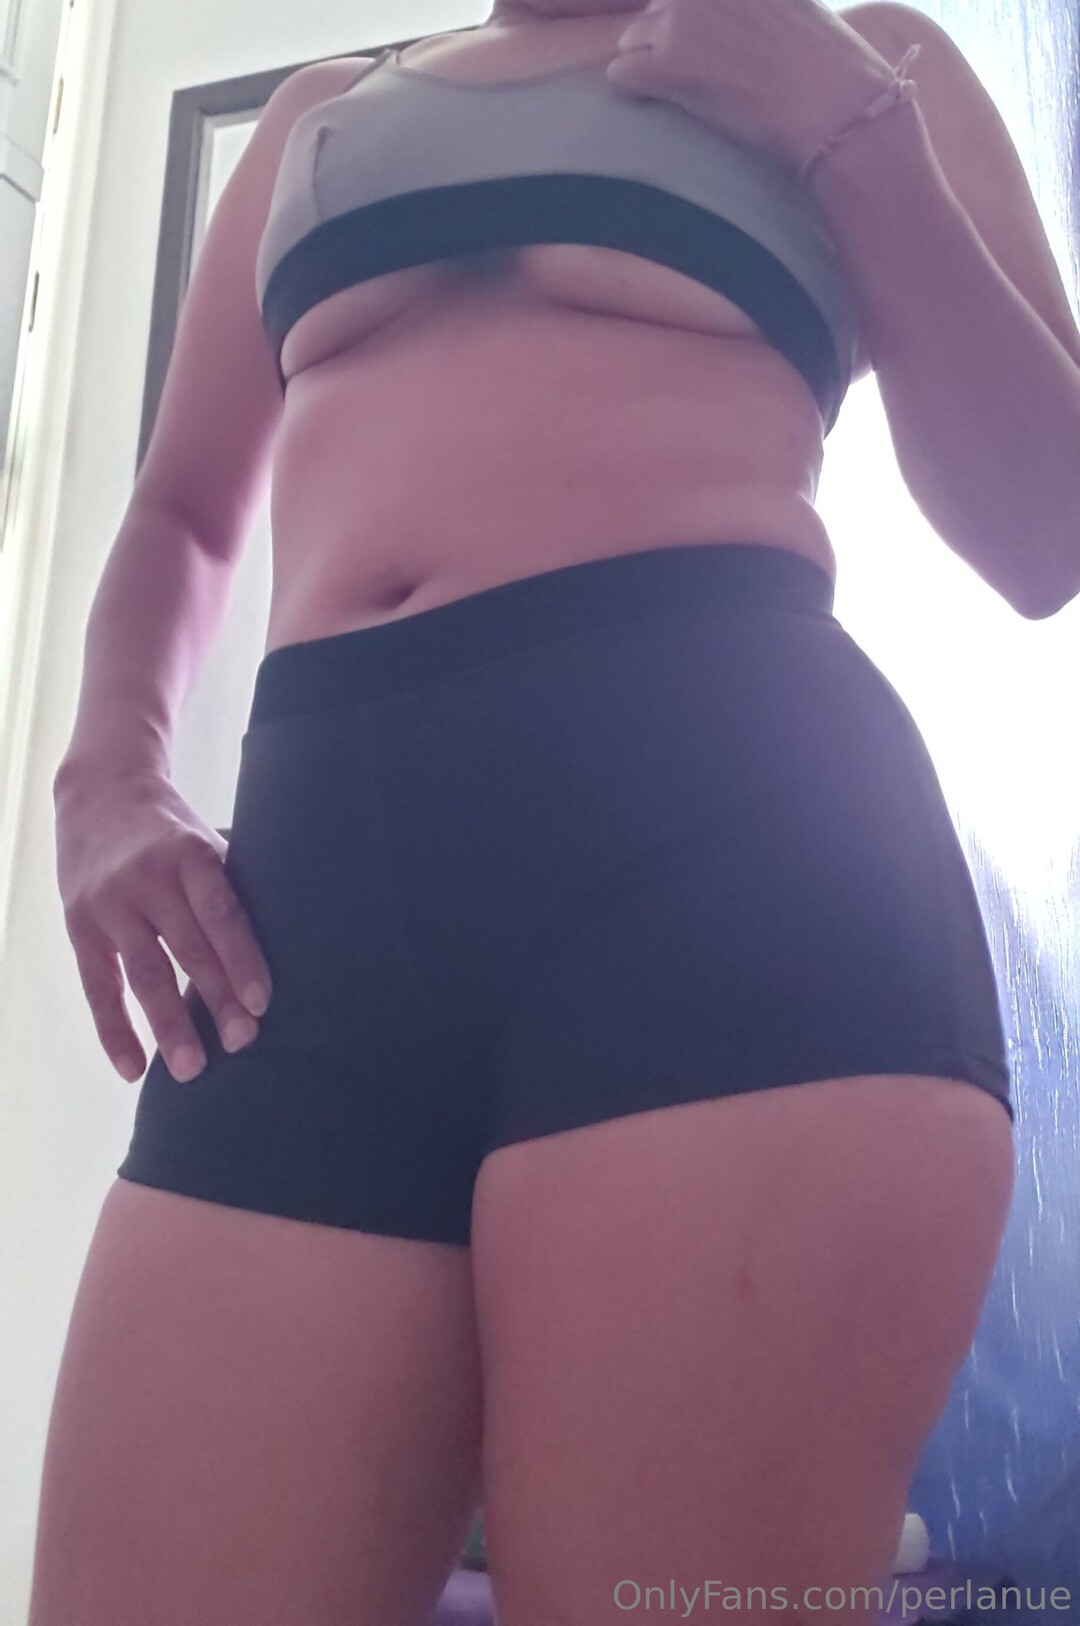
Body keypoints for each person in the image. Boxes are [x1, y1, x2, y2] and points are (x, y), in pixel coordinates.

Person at [34, 0, 1045, 1620]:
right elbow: (179, 513)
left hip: (732, 874)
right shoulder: (315, 119)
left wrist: (858, 138)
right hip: (308, 924)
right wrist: (105, 778)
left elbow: (1044, 524)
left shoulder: (866, 53)